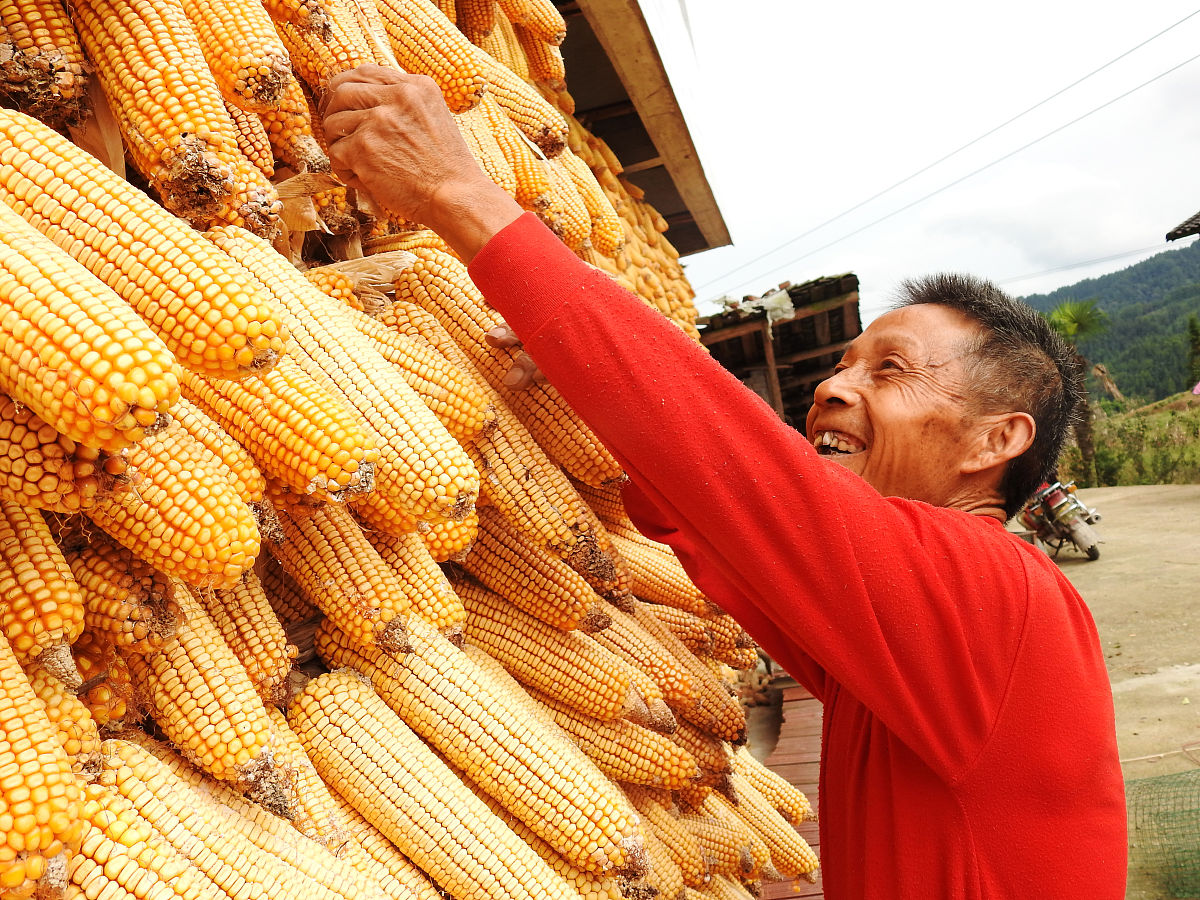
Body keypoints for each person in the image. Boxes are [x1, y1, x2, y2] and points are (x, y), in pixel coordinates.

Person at [319, 66, 1128, 898]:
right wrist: (580, 394)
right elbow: (715, 521)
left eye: (892, 370)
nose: (833, 389)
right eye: (843, 364)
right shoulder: (901, 650)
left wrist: (461, 193)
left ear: (997, 440)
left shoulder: (994, 594)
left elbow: (735, 465)